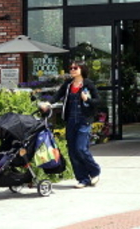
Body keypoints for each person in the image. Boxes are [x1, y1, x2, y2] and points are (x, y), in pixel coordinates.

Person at [40, 61, 101, 189]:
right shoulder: (68, 84)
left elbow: (98, 101)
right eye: (71, 68)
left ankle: (94, 171)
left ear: (82, 69)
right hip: (71, 121)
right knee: (72, 151)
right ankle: (82, 178)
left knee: (81, 148)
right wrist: (48, 103)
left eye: (75, 68)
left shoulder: (88, 84)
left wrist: (87, 99)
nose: (72, 70)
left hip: (84, 120)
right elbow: (57, 95)